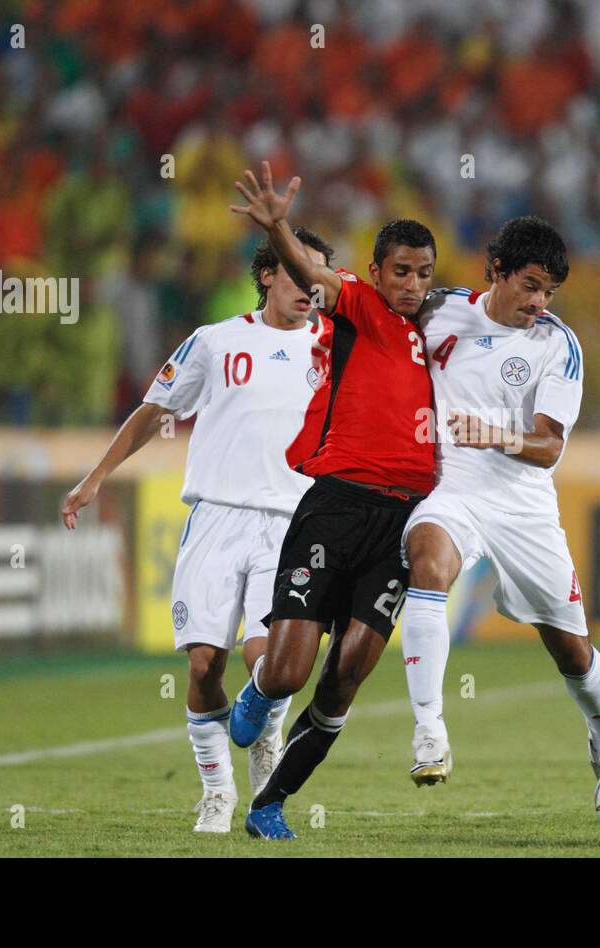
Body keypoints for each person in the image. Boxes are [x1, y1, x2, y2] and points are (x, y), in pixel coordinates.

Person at [61, 225, 334, 831]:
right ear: (266, 273)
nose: (309, 287)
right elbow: (153, 410)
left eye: (318, 276)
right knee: (205, 663)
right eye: (294, 271)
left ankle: (264, 730)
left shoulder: (338, 347)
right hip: (216, 517)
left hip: (294, 524)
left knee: (270, 658)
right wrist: (96, 476)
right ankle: (217, 791)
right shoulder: (214, 342)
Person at [225, 163, 437, 839]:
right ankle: (258, 692)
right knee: (288, 673)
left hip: (402, 524)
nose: (411, 285)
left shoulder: (445, 330)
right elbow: (315, 276)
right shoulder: (357, 306)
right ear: (375, 272)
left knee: (345, 677)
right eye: (400, 271)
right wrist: (278, 226)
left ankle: (268, 805)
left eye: (423, 273)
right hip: (336, 507)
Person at [399, 216, 600, 787]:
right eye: (530, 285)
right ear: (496, 271)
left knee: (572, 653)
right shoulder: (440, 309)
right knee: (427, 562)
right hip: (453, 489)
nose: (539, 302)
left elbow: (550, 446)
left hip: (523, 507)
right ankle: (429, 732)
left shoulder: (557, 344)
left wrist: (496, 434)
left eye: (549, 291)